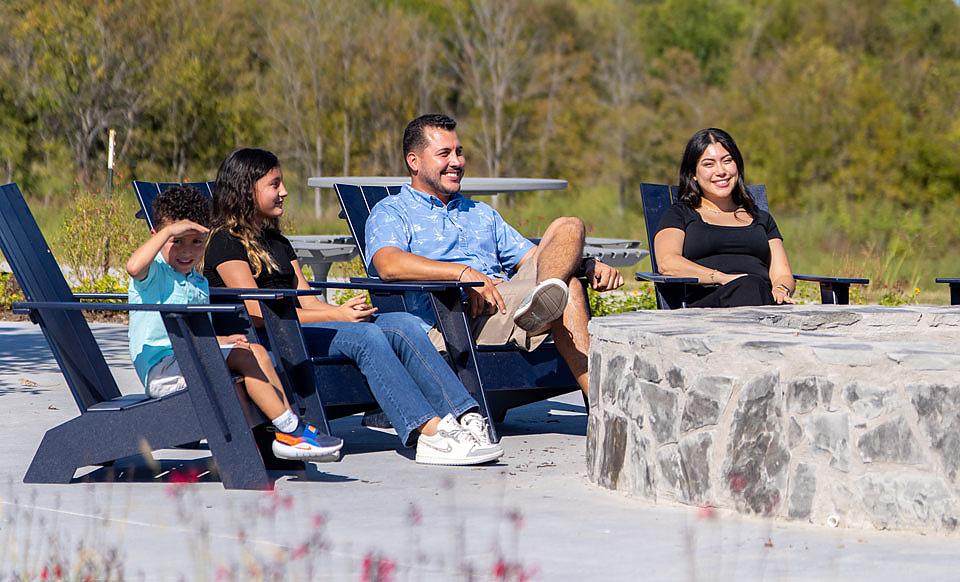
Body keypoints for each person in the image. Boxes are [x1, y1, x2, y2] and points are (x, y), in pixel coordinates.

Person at [202, 147, 503, 466]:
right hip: (260, 341)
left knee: (402, 323)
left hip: (295, 330)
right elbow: (257, 313)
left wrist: (348, 314)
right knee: (366, 338)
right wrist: (339, 315)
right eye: (274, 184)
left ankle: (462, 416)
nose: (284, 192)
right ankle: (429, 435)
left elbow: (307, 301)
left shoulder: (277, 243)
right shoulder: (225, 242)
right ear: (247, 190)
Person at [365, 113, 624, 397]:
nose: (457, 162)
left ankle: (543, 304)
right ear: (414, 161)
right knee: (569, 288)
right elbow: (388, 263)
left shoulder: (480, 213)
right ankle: (600, 403)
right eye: (445, 153)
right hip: (453, 321)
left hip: (503, 304)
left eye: (459, 152)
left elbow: (537, 258)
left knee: (569, 226)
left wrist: (584, 265)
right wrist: (463, 275)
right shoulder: (392, 211)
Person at [127, 185, 343, 461]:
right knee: (244, 356)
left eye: (196, 242)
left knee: (258, 352)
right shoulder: (154, 274)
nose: (187, 251)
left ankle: (289, 431)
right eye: (177, 241)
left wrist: (222, 341)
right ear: (157, 237)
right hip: (164, 373)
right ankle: (290, 430)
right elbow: (133, 266)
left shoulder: (198, 282)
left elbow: (193, 334)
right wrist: (170, 230)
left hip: (190, 361)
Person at [653, 128, 796, 307]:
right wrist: (722, 278)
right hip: (708, 308)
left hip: (762, 300)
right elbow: (668, 263)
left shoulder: (761, 218)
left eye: (727, 161)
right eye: (708, 164)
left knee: (753, 287)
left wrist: (781, 290)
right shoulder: (680, 214)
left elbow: (783, 274)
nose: (721, 171)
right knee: (750, 285)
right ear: (693, 174)